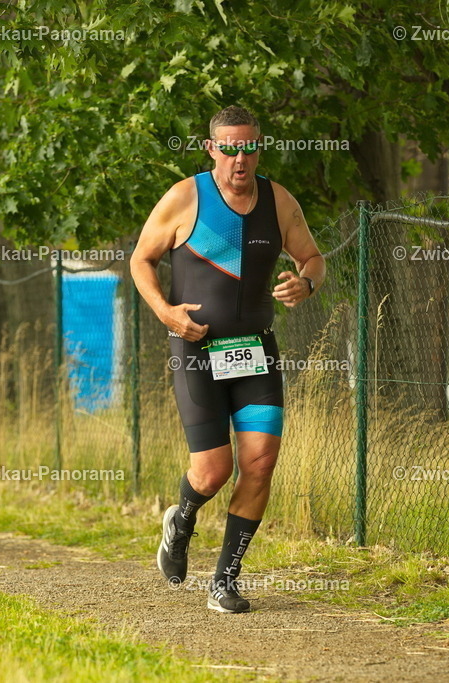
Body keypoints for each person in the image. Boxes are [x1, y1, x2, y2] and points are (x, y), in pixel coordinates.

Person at [130, 105, 325, 613]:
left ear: (260, 148)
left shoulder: (279, 201)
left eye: (250, 147)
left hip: (256, 351)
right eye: (230, 148)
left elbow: (313, 257)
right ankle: (182, 520)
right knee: (213, 472)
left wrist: (306, 282)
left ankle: (225, 581)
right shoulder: (184, 196)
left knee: (259, 464)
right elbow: (141, 260)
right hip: (196, 352)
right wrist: (166, 313)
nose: (241, 159)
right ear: (212, 149)